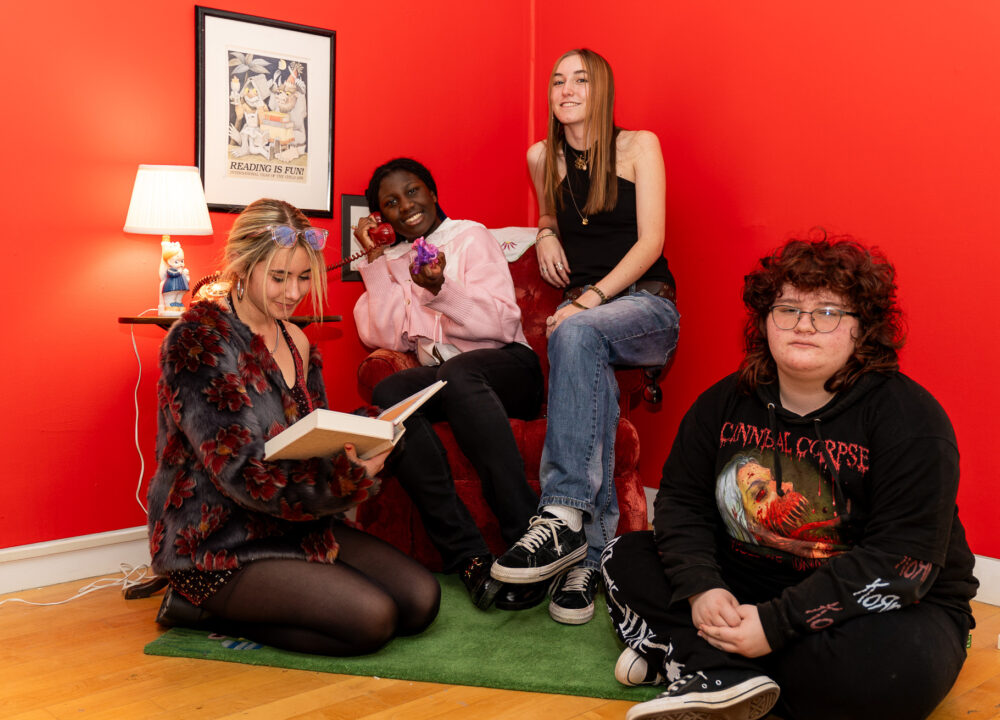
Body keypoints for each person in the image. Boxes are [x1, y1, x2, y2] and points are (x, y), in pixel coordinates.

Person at [601, 235, 978, 720]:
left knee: (893, 678)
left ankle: (701, 661)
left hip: (884, 605)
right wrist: (701, 588)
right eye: (788, 308)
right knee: (622, 555)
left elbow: (900, 564)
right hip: (746, 583)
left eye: (827, 311)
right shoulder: (722, 403)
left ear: (862, 329)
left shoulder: (911, 419)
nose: (803, 324)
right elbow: (682, 505)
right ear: (764, 321)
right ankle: (727, 668)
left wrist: (775, 626)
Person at [147, 198, 440, 656]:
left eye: (304, 277)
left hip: (292, 520)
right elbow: (241, 475)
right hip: (218, 542)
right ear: (243, 267)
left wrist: (367, 435)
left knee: (420, 601)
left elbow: (308, 439)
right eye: (279, 277)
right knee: (372, 620)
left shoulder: (296, 338)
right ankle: (194, 603)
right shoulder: (197, 339)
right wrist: (346, 479)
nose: (293, 292)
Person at [491, 49, 680, 625]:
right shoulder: (540, 156)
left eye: (580, 80)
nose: (566, 89)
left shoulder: (638, 146)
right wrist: (545, 233)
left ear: (603, 91)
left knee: (575, 331)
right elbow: (550, 214)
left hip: (648, 305)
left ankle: (561, 512)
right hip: (589, 322)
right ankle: (589, 557)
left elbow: (650, 243)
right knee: (578, 343)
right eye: (557, 80)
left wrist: (588, 300)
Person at [352, 158, 547, 611]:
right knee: (390, 394)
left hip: (509, 368)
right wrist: (377, 262)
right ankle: (468, 556)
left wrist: (441, 289)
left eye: (413, 191)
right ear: (382, 218)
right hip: (448, 376)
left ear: (433, 192)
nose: (407, 206)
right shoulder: (395, 260)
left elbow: (503, 323)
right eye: (391, 204)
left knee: (459, 373)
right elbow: (382, 335)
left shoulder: (470, 237)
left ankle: (525, 537)